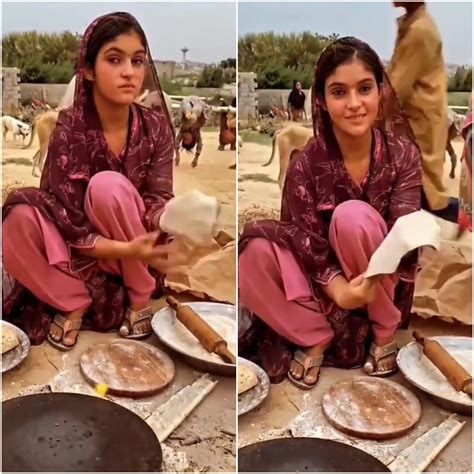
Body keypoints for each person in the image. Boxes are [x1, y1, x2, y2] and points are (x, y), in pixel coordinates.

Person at [239, 37, 422, 389]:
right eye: (339, 92)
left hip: (380, 285)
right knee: (253, 253)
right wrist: (338, 290)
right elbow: (303, 241)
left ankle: (383, 335)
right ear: (321, 100)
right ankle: (315, 333)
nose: (354, 104)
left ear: (380, 92)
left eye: (364, 89)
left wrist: (366, 285)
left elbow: (405, 234)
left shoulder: (403, 155)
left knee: (354, 217)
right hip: (323, 285)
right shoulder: (305, 165)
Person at [2, 12, 178, 350]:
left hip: (138, 253)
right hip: (82, 250)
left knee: (108, 187)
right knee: (19, 215)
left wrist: (170, 218)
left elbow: (158, 197)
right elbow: (65, 222)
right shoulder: (68, 130)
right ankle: (74, 300)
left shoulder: (156, 127)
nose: (130, 72)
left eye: (138, 60)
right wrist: (125, 248)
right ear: (87, 70)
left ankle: (140, 300)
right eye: (114, 59)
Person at [388, 1, 456, 222]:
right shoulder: (414, 25)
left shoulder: (419, 31)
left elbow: (395, 89)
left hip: (418, 130)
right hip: (416, 126)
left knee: (418, 198)